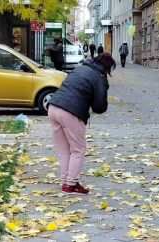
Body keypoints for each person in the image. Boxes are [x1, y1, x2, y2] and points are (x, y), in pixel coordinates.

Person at [48, 53, 116, 195]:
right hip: (70, 112)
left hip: (53, 107)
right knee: (78, 149)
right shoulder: (99, 77)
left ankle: (66, 181)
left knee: (64, 149)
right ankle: (71, 184)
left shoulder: (80, 68)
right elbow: (99, 107)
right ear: (107, 67)